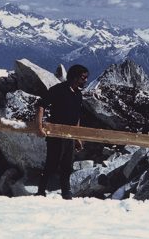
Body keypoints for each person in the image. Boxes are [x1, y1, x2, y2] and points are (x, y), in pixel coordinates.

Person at [36, 64, 89, 199]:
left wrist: (77, 137)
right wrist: (39, 127)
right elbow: (41, 105)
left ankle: (66, 192)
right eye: (83, 77)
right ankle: (41, 191)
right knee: (51, 164)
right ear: (74, 77)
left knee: (67, 165)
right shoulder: (58, 90)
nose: (85, 80)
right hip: (55, 134)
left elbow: (76, 117)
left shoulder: (78, 95)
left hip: (70, 136)